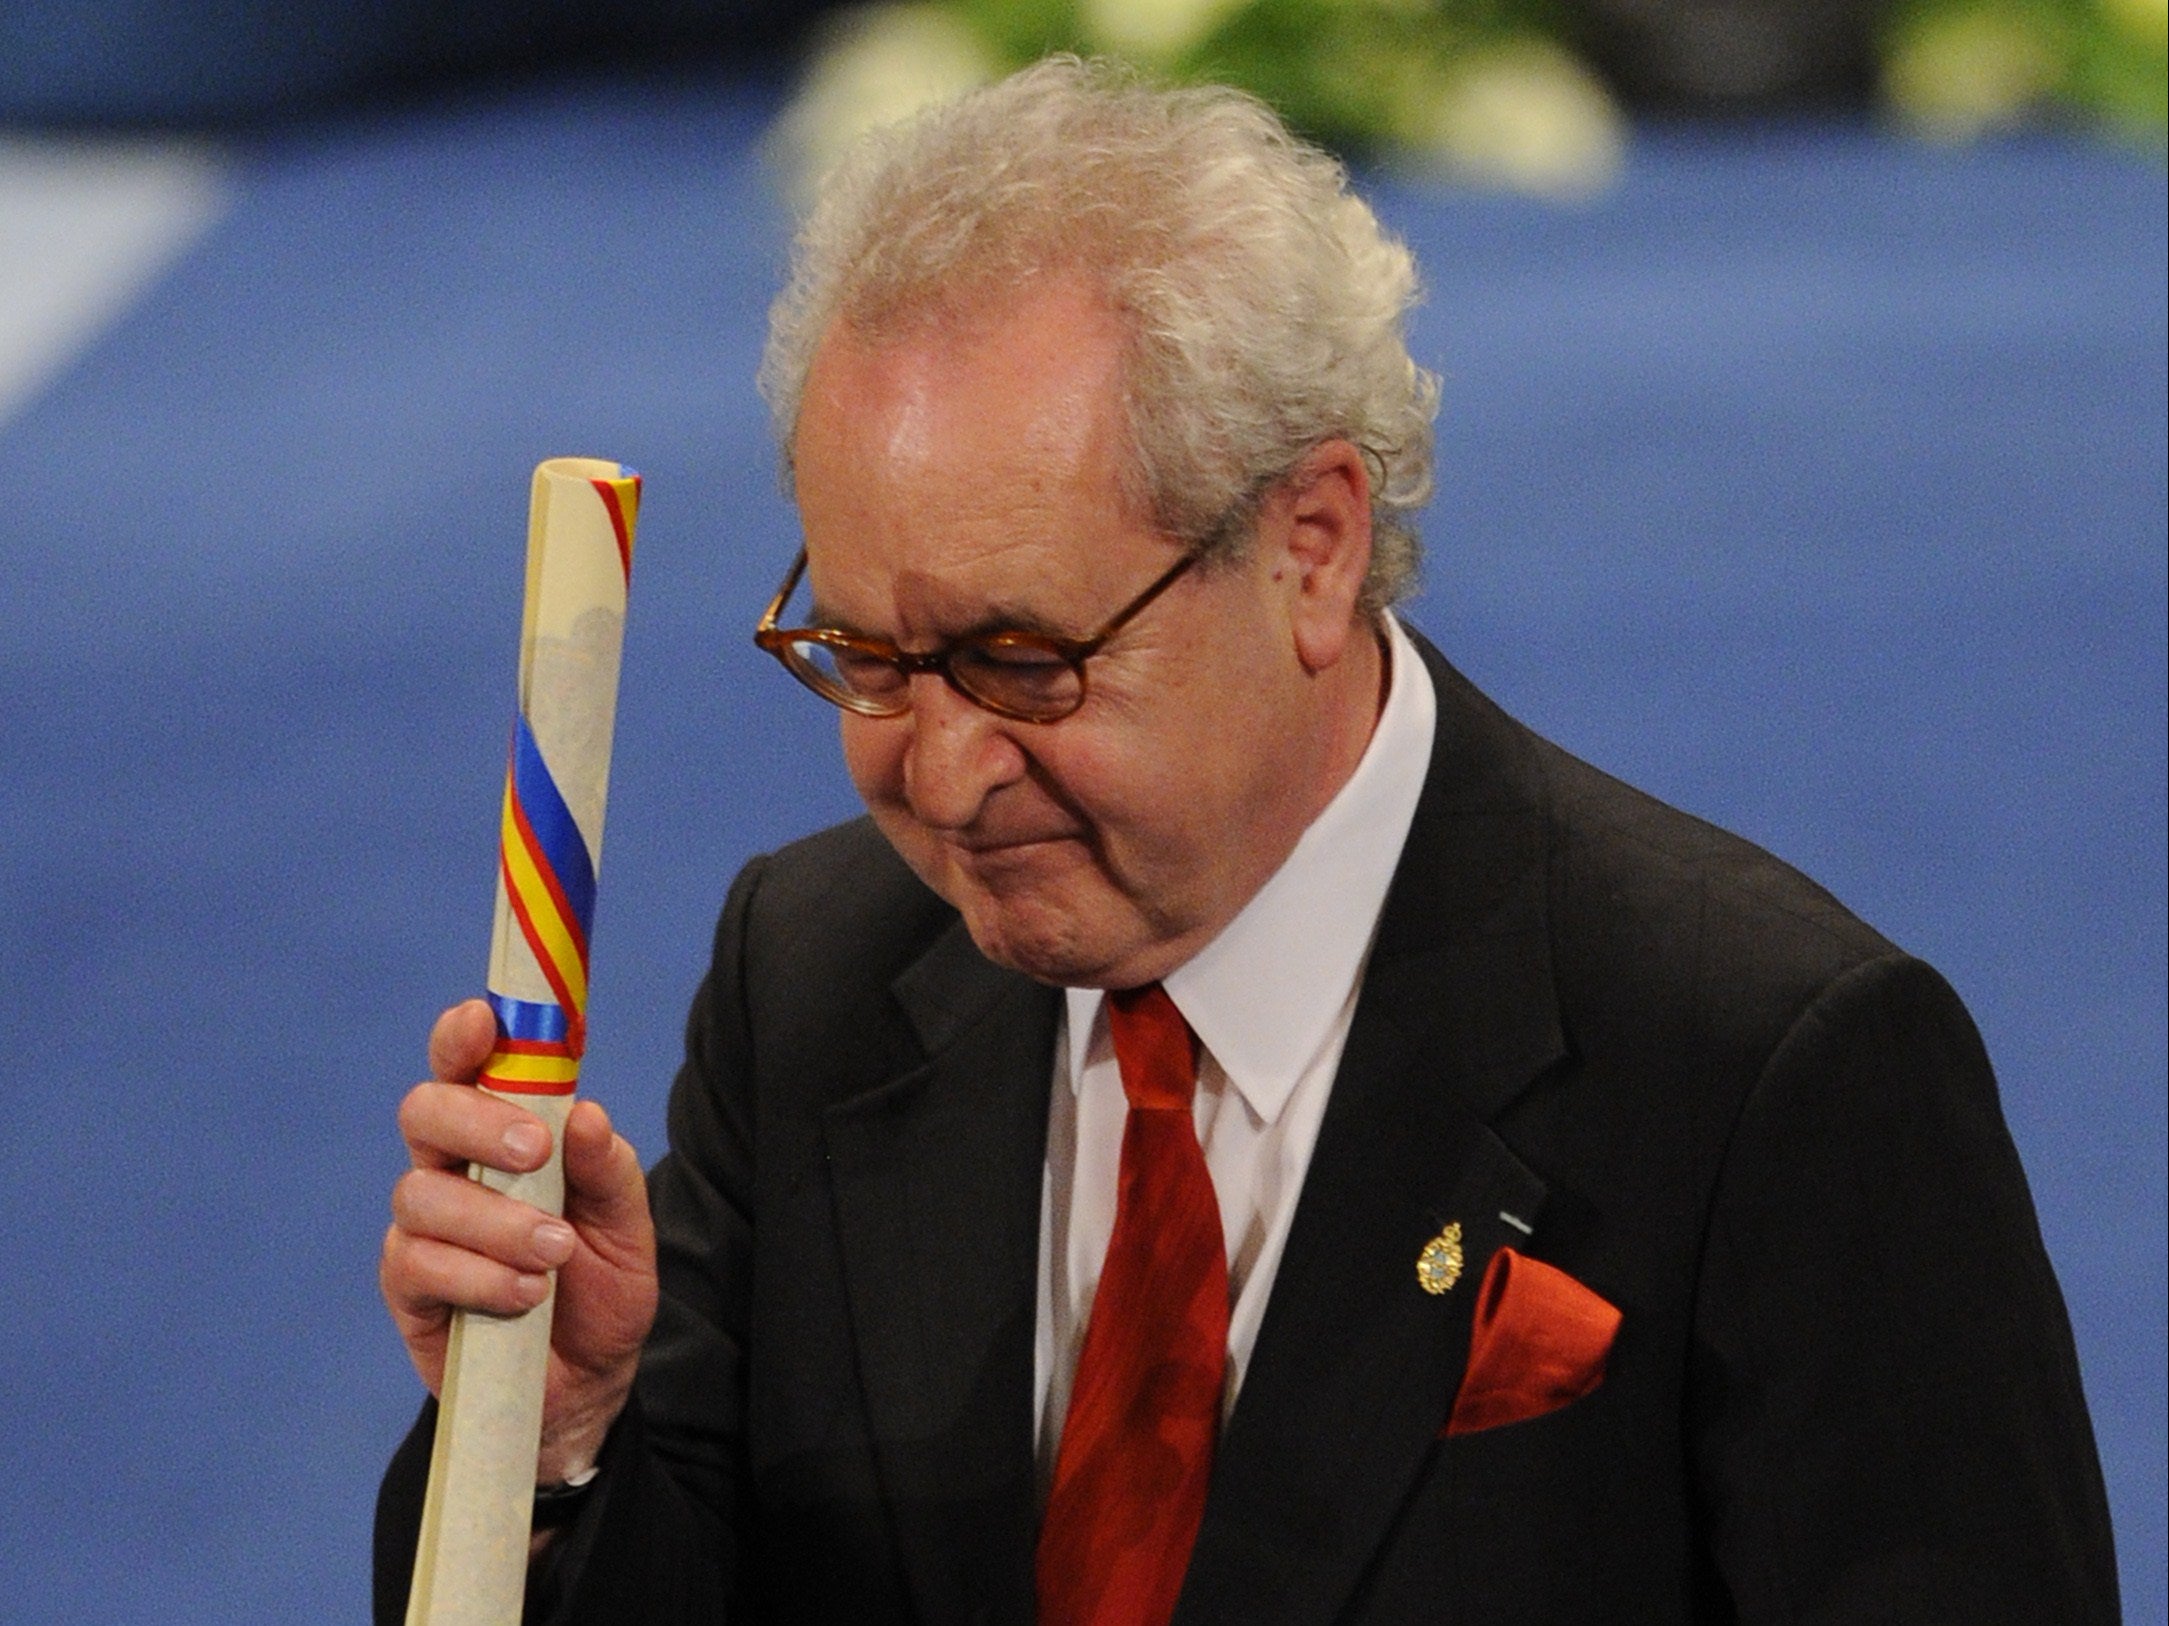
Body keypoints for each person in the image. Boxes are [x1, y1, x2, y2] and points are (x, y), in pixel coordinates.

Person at [374, 57, 2118, 1625]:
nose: (945, 770)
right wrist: (558, 1438)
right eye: (869, 657)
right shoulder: (813, 979)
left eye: (1022, 659)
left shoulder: (1767, 1073)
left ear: (1309, 546)